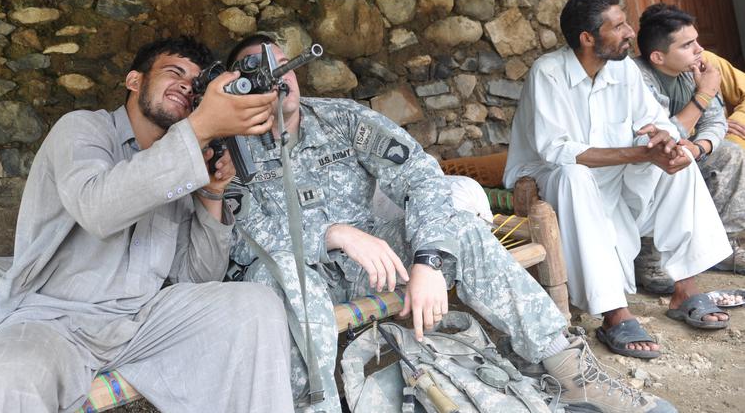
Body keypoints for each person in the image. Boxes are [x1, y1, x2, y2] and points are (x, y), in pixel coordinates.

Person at [226, 33, 677, 413]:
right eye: (258, 70)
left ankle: (570, 372)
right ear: (238, 86)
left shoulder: (342, 119)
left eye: (283, 65)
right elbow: (240, 238)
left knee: (460, 226)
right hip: (302, 278)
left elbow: (421, 177)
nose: (278, 77)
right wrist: (330, 236)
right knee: (271, 277)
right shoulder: (230, 150)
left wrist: (428, 259)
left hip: (377, 265)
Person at [0, 37, 294, 413]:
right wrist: (199, 129)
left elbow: (196, 278)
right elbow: (97, 208)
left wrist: (211, 192)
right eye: (174, 72)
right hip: (55, 321)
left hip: (142, 324)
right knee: (8, 374)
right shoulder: (82, 129)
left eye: (196, 81)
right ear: (134, 81)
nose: (188, 85)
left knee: (254, 306)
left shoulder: (182, 161)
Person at [505, 0, 731, 364]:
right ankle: (613, 314)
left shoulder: (623, 68)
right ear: (588, 38)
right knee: (573, 175)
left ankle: (685, 289)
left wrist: (663, 143)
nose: (630, 31)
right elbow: (559, 150)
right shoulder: (549, 72)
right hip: (554, 183)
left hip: (615, 178)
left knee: (678, 161)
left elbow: (655, 122)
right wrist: (642, 153)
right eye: (620, 25)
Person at [634, 3, 745, 276]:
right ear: (658, 57)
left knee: (731, 153)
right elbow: (661, 135)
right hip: (645, 159)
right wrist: (703, 94)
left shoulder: (693, 69)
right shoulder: (637, 78)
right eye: (687, 45)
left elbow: (715, 120)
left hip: (686, 150)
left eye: (696, 41)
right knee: (666, 160)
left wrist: (700, 147)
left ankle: (723, 245)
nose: (699, 50)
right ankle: (652, 255)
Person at [701, 49, 745, 149]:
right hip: (694, 148)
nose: (699, 48)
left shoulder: (705, 59)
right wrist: (715, 128)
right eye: (687, 44)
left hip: (727, 135)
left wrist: (739, 118)